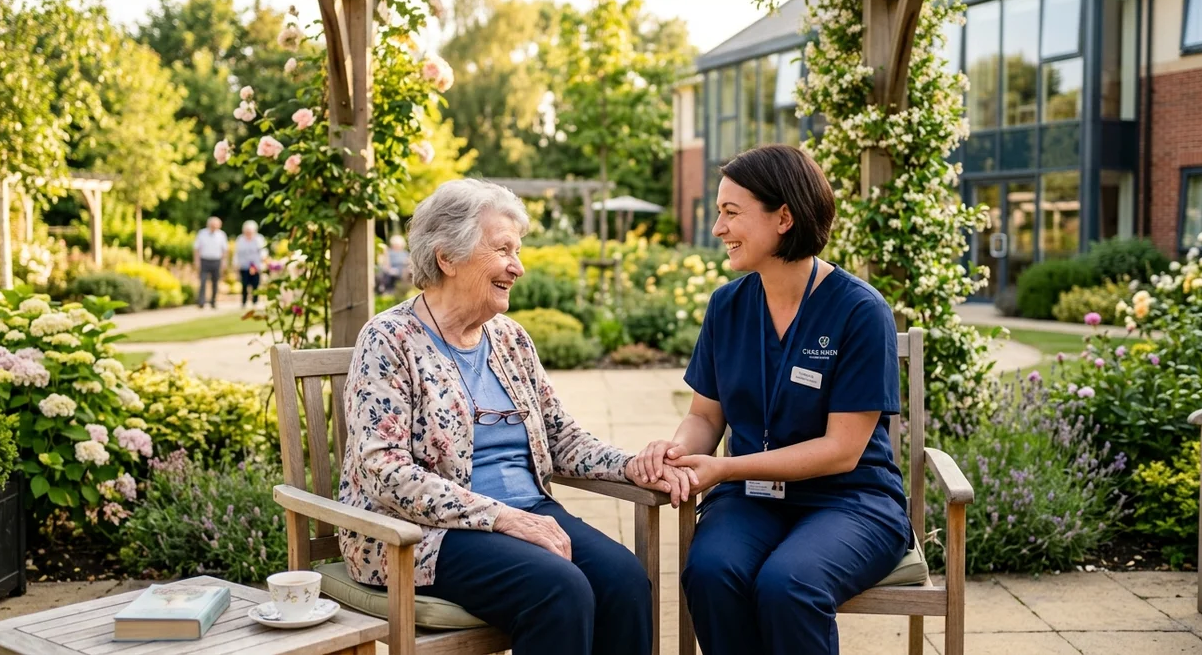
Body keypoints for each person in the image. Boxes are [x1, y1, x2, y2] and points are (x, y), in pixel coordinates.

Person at [338, 179, 694, 655]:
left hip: (526, 516)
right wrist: (501, 518)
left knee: (625, 580)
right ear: (447, 257)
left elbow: (561, 437)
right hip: (422, 534)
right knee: (559, 589)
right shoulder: (388, 339)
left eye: (518, 250)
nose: (518, 267)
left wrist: (631, 466)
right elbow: (385, 471)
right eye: (503, 249)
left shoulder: (509, 338)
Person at [628, 145, 910, 655]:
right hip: (754, 498)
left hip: (851, 500)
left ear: (784, 217)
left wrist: (723, 471)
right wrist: (677, 453)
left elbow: (841, 450)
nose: (718, 229)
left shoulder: (860, 311)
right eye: (719, 212)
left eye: (731, 213)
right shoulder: (728, 306)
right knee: (711, 573)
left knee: (789, 585)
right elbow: (704, 415)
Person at [193, 217, 228, 309]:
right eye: (212, 225)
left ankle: (213, 301)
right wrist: (197, 261)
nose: (214, 227)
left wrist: (224, 261)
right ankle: (201, 301)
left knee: (215, 282)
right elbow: (196, 248)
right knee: (203, 281)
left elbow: (224, 250)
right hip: (204, 260)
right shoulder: (202, 233)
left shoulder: (221, 235)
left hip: (216, 261)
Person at [234, 220, 268, 308]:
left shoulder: (259, 239)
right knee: (244, 284)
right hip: (244, 266)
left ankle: (255, 301)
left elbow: (263, 252)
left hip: (255, 266)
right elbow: (237, 253)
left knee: (255, 284)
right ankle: (244, 301)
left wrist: (263, 263)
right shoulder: (240, 239)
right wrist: (236, 264)